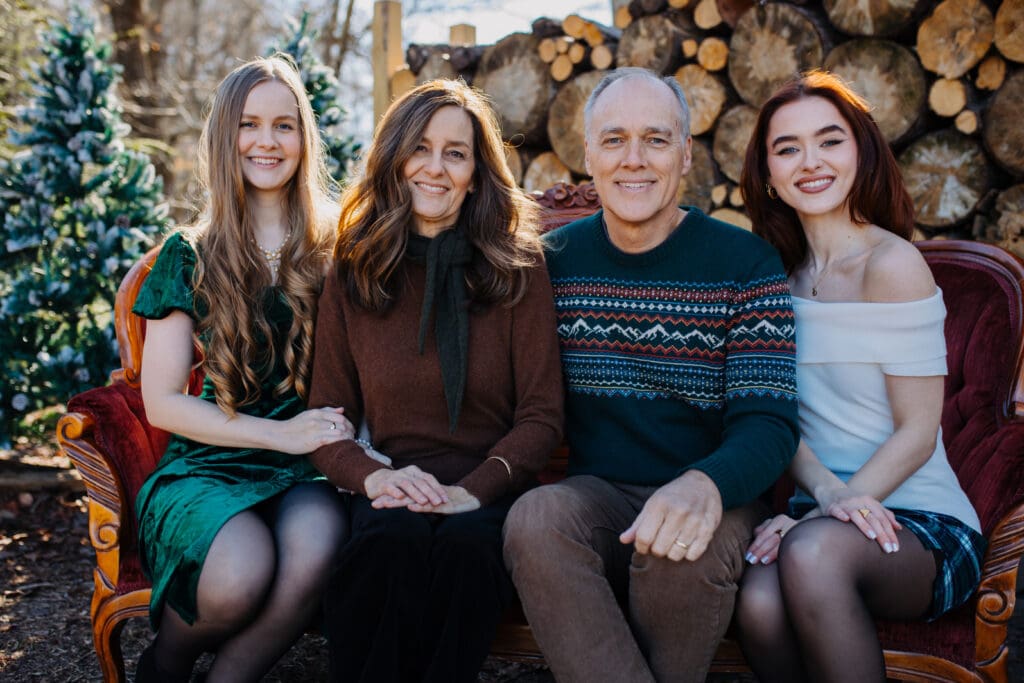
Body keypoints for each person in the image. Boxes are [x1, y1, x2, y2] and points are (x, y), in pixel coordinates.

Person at [502, 67, 800, 682]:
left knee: (679, 549)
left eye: (656, 139)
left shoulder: (745, 262)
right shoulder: (550, 262)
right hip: (600, 499)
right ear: (588, 154)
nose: (633, 159)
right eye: (613, 139)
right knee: (535, 519)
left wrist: (705, 485)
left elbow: (769, 420)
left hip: (715, 495)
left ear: (686, 155)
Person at [307, 78, 564, 683]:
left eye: (456, 152)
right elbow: (327, 420)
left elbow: (541, 416)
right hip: (390, 486)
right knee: (388, 541)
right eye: (420, 148)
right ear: (395, 159)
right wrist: (379, 480)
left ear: (476, 173)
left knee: (467, 550)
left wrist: (472, 491)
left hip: (486, 491)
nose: (436, 167)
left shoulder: (517, 269)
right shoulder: (355, 270)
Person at [733, 70, 986, 683]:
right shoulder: (772, 279)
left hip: (922, 523)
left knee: (813, 555)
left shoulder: (892, 265)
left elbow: (919, 432)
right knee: (758, 603)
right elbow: (775, 418)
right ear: (768, 174)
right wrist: (822, 499)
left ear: (860, 151)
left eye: (830, 140)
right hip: (816, 510)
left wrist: (828, 512)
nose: (810, 162)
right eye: (787, 148)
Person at [132, 56, 353, 682]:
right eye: (249, 124)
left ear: (304, 141)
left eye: (284, 126)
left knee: (316, 553)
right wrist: (277, 433)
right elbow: (162, 403)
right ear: (225, 137)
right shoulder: (188, 255)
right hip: (210, 461)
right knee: (237, 575)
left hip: (310, 466)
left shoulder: (339, 247)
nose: (266, 141)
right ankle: (166, 665)